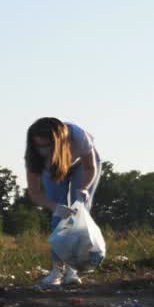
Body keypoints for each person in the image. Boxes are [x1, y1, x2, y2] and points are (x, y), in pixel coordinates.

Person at [23, 117, 102, 286]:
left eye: (46, 146)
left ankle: (73, 271)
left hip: (83, 166)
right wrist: (54, 207)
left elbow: (90, 167)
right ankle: (56, 272)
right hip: (53, 168)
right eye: (38, 146)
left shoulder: (79, 137)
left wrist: (85, 188)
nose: (42, 150)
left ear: (59, 142)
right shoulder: (35, 157)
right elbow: (35, 193)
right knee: (60, 216)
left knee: (79, 212)